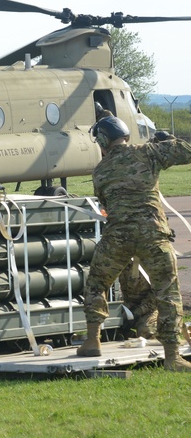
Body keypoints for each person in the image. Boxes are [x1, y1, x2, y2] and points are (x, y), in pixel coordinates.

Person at [77, 117, 191, 371]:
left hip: (117, 238)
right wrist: (166, 140)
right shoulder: (149, 152)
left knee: (97, 284)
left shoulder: (101, 169)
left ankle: (93, 340)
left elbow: (105, 202)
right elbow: (186, 152)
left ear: (103, 141)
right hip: (153, 236)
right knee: (168, 292)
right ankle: (173, 357)